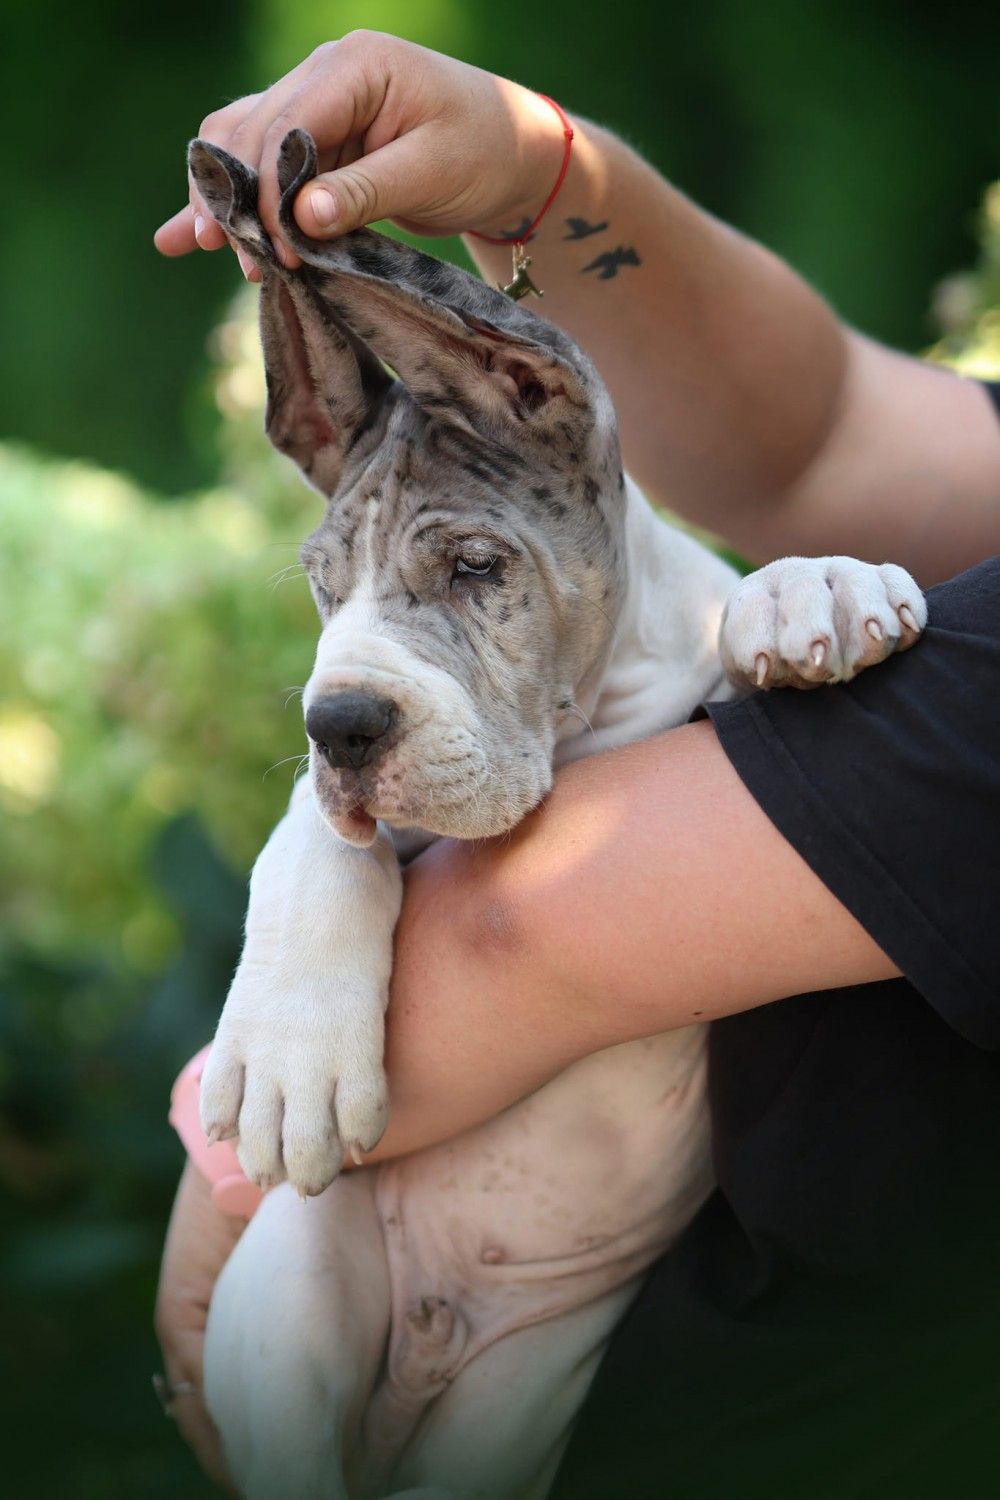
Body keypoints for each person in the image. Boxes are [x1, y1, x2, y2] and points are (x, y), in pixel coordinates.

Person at [153, 31, 1000, 1496]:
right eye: (338, 587)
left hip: (592, 1342)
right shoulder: (554, 654)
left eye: (471, 569)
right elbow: (825, 438)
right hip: (367, 1254)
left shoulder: (733, 638)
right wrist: (530, 165)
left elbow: (530, 921)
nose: (355, 666)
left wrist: (228, 1145)